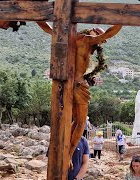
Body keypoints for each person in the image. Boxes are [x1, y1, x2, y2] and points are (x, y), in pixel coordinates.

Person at [37, 22, 122, 163]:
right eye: (100, 39)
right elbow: (109, 33)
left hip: (65, 83)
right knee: (81, 122)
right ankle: (69, 153)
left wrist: (37, 18)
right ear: (93, 32)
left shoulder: (72, 37)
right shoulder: (87, 39)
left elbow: (50, 29)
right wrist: (122, 20)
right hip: (78, 84)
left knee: (73, 120)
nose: (101, 42)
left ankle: (63, 146)